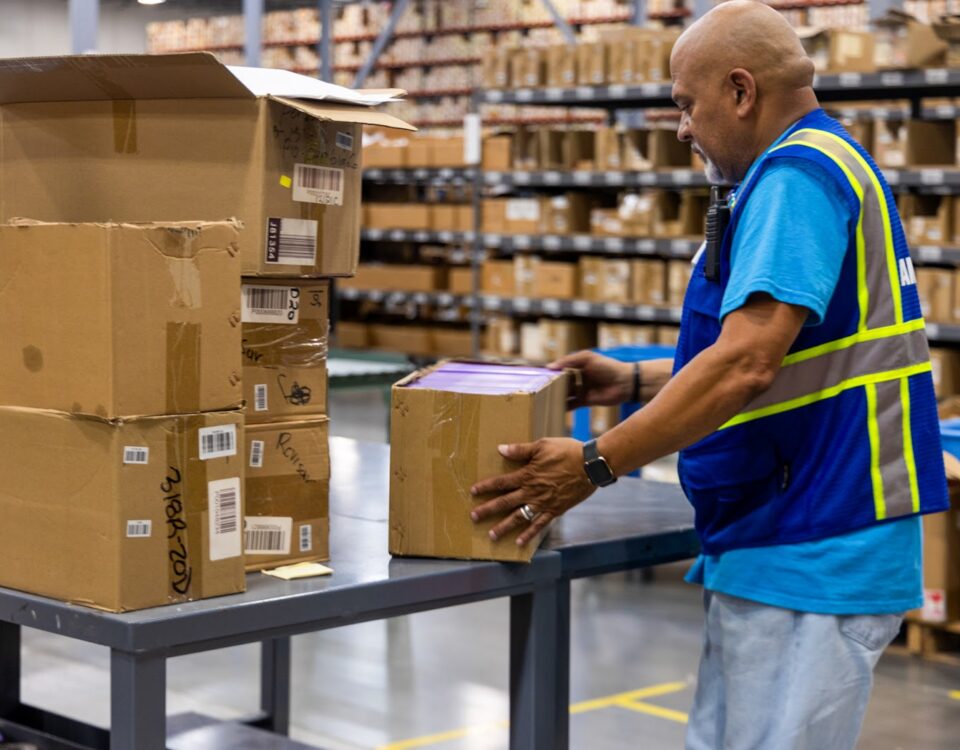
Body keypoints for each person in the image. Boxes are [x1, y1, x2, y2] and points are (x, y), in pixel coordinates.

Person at [468, 1, 949, 747]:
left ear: (741, 90)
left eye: (687, 105)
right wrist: (632, 382)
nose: (683, 128)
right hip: (780, 532)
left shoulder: (796, 178)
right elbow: (787, 358)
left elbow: (747, 363)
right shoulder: (811, 168)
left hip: (813, 538)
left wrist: (596, 462)